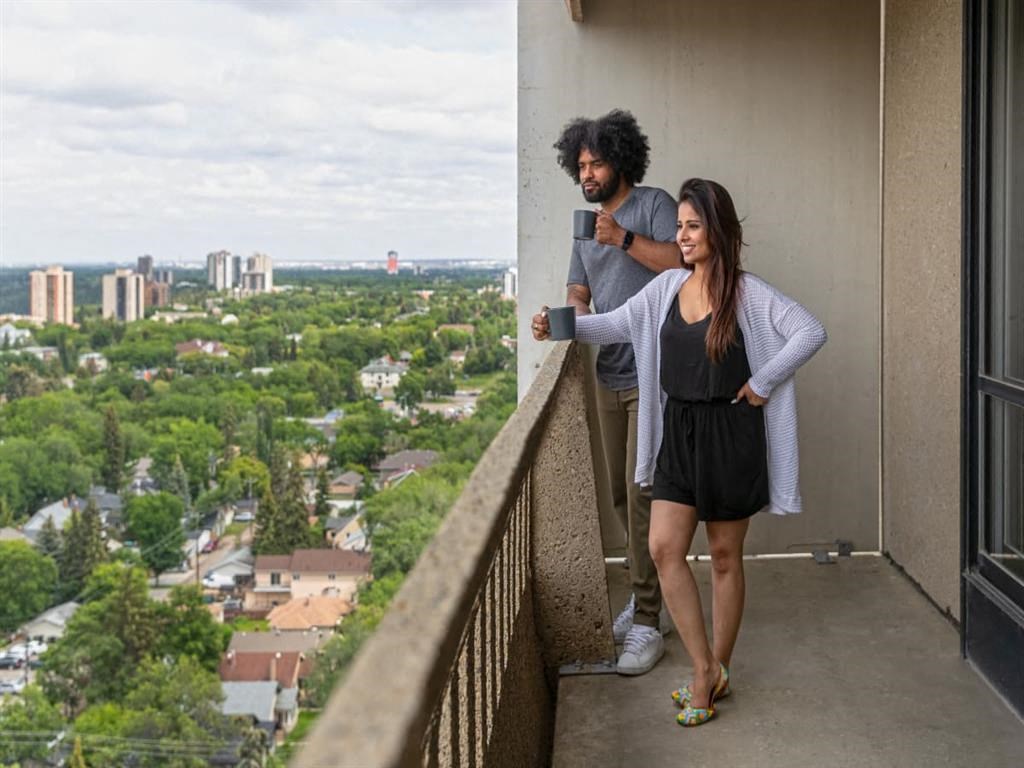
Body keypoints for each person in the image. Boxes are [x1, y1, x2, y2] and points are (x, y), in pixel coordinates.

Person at [534, 178, 826, 726]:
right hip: (678, 432)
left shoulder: (748, 292)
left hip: (732, 435)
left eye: (693, 226)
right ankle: (702, 667)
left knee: (721, 558)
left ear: (718, 231)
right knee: (665, 547)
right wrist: (560, 325)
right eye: (680, 227)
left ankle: (718, 668)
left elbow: (810, 331)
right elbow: (619, 323)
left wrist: (762, 381)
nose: (682, 236)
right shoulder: (668, 286)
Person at [533, 110, 681, 676]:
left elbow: (684, 263)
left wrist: (620, 238)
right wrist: (560, 321)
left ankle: (648, 620)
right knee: (621, 500)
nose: (588, 173)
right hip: (608, 372)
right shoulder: (583, 229)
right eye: (581, 165)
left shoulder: (653, 206)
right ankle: (648, 603)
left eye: (596, 162)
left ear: (621, 160)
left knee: (643, 496)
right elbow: (580, 294)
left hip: (655, 372)